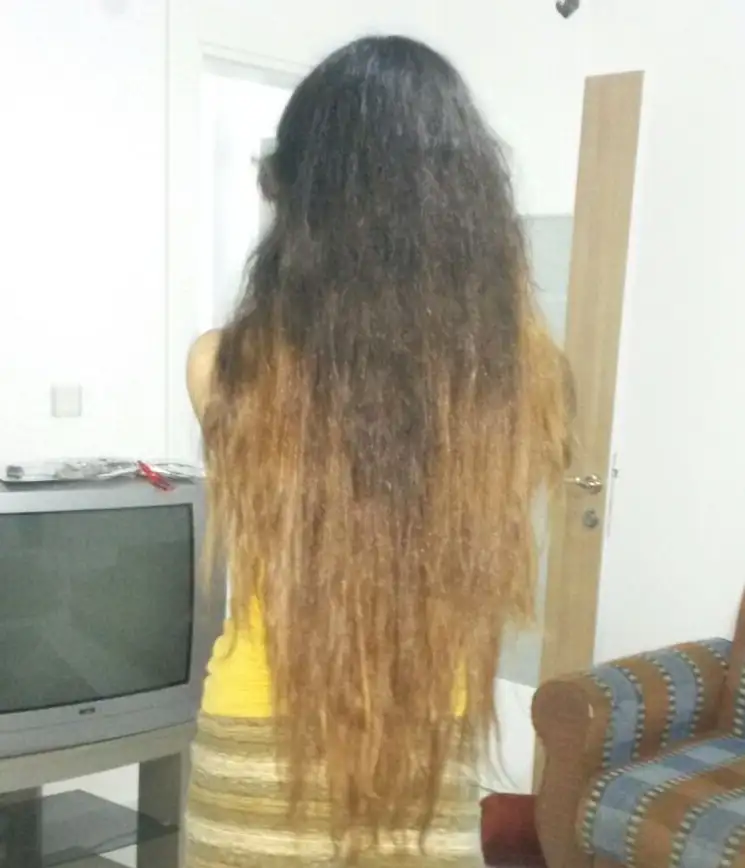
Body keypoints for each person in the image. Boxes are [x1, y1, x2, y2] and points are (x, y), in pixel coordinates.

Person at [185, 34, 570, 868]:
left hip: (256, 743)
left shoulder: (225, 366)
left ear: (300, 196)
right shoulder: (519, 377)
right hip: (426, 747)